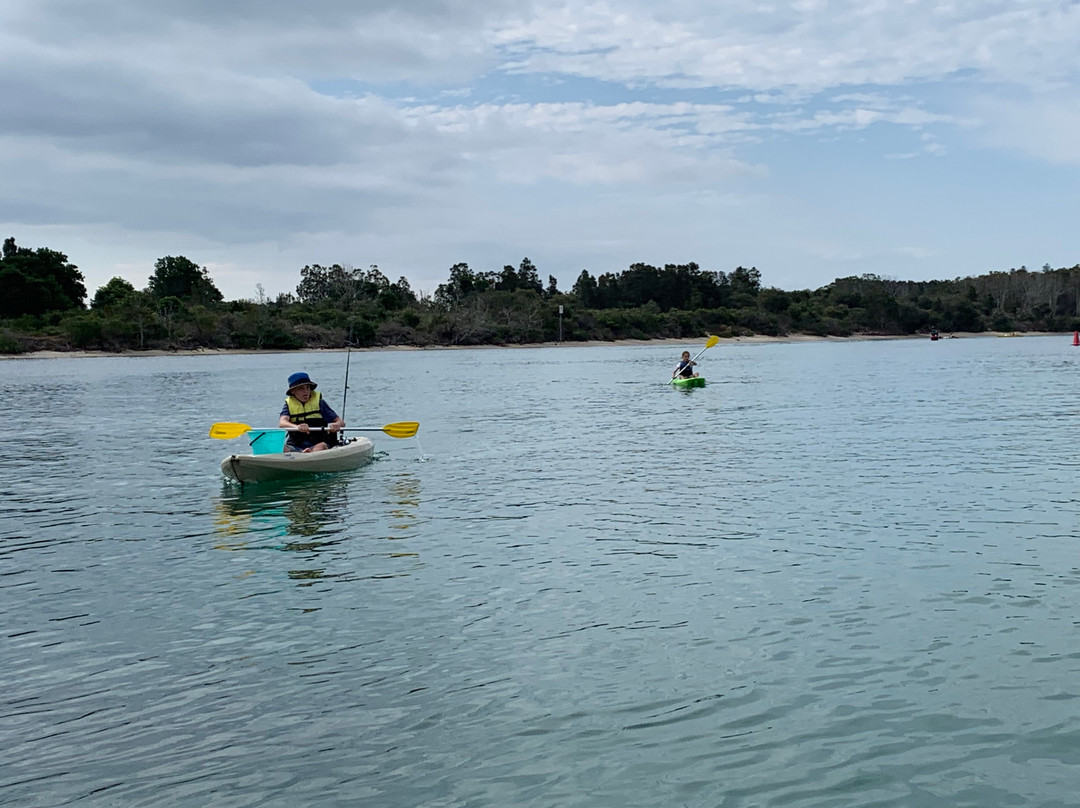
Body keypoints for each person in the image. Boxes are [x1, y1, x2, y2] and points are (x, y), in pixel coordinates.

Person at [278, 372, 345, 453]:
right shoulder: (288, 405)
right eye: (301, 388)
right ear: (293, 391)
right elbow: (282, 423)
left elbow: (341, 422)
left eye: (307, 387)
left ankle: (308, 454)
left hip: (318, 444)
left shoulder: (320, 403)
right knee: (280, 447)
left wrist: (336, 425)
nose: (306, 391)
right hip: (295, 445)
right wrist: (297, 427)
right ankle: (301, 454)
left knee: (320, 446)